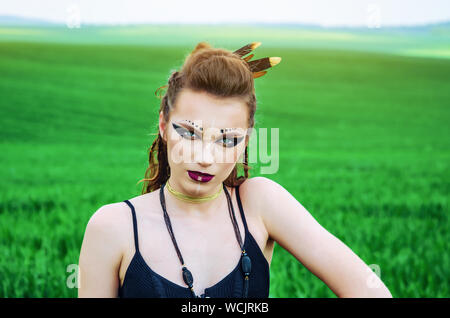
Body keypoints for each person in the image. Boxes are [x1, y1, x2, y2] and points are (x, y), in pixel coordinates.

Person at [78, 41, 392, 298]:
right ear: (163, 124)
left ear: (247, 140)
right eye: (189, 133)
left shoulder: (258, 204)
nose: (205, 157)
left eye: (227, 140)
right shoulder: (113, 227)